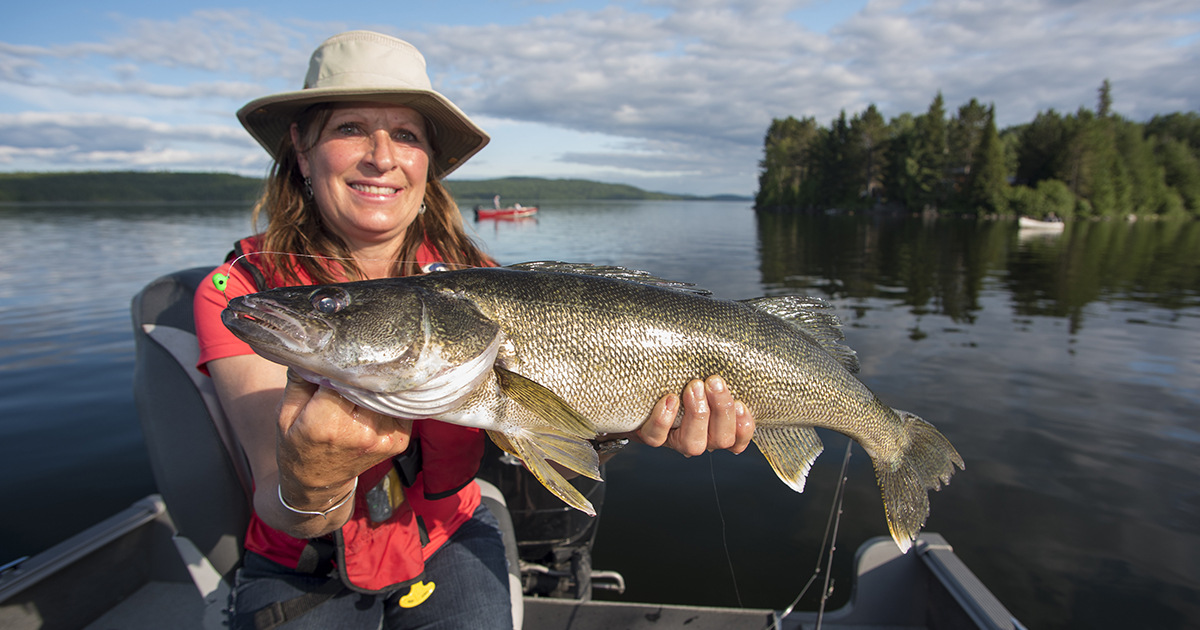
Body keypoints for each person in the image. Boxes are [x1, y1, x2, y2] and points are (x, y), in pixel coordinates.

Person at [193, 30, 755, 630]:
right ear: (302, 150)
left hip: (450, 537)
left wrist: (630, 424)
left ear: (426, 162)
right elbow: (280, 501)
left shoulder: (480, 283)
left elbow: (558, 419)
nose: (381, 156)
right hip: (302, 566)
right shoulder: (244, 294)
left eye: (406, 135)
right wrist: (308, 480)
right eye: (350, 128)